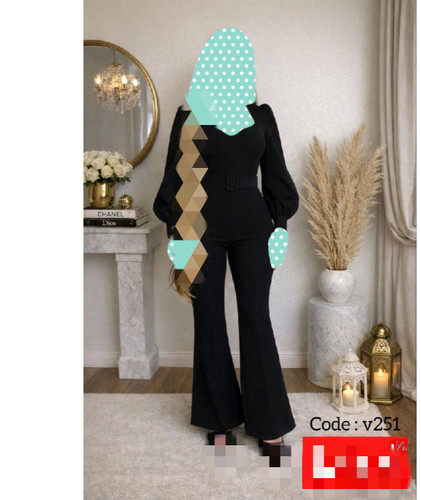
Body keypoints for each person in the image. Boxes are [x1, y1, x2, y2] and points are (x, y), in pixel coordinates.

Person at [153, 28, 299, 456]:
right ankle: (218, 418)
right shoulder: (189, 117)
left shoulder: (262, 116)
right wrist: (177, 235)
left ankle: (269, 423)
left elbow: (276, 175)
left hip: (254, 226)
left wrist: (279, 228)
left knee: (256, 318)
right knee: (209, 320)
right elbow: (176, 181)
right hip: (200, 226)